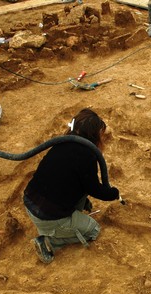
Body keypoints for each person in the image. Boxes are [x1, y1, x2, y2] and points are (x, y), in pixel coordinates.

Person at [23, 108, 120, 264]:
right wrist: (113, 193)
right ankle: (49, 242)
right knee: (93, 230)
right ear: (95, 136)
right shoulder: (87, 155)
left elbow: (68, 179)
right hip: (47, 215)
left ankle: (59, 224)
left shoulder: (62, 143)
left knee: (79, 191)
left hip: (30, 201)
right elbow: (94, 189)